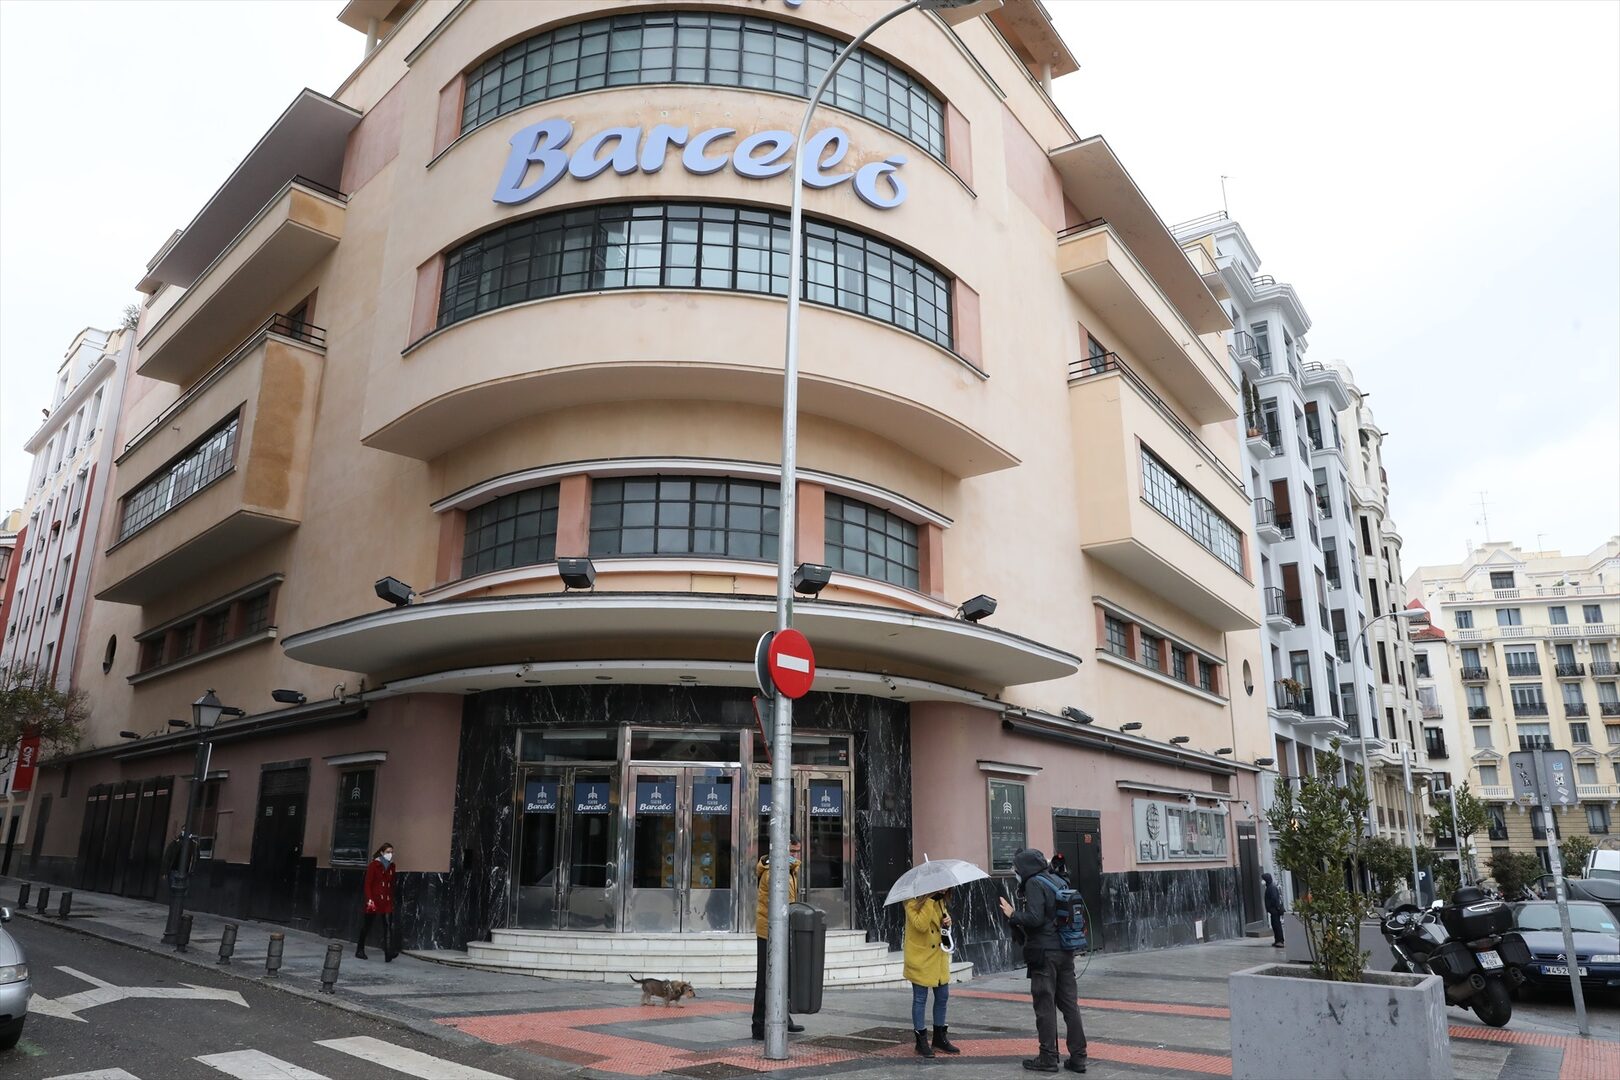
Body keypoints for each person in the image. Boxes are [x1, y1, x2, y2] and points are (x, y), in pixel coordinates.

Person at [998, 848, 1086, 1074]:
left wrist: (1013, 914)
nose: (1016, 872)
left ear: (1025, 867)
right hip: (1065, 950)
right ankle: (1078, 1057)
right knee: (1070, 1005)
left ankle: (1047, 1057)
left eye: (1016, 868)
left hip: (1044, 954)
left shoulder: (1034, 883)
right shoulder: (1057, 879)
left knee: (1045, 1005)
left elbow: (1035, 919)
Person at [751, 836, 805, 1041]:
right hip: (769, 932)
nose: (795, 855)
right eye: (792, 851)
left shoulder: (788, 869)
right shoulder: (774, 871)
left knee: (783, 976)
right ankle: (758, 1025)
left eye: (797, 851)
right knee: (766, 978)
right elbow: (783, 903)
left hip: (781, 931)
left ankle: (783, 1017)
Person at [904, 889, 959, 1057]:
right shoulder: (911, 901)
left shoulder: (940, 900)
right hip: (921, 958)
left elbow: (940, 924)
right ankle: (921, 1041)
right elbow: (920, 925)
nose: (944, 889)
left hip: (938, 957)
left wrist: (947, 921)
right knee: (920, 999)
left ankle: (939, 1038)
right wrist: (929, 900)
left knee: (942, 997)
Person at [357, 842, 397, 961]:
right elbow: (368, 884)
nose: (390, 854)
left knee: (388, 925)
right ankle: (360, 949)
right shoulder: (374, 865)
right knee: (367, 925)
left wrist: (391, 898)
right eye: (388, 852)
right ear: (382, 852)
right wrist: (369, 899)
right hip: (374, 899)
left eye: (392, 852)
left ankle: (388, 952)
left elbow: (391, 883)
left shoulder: (392, 866)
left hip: (387, 900)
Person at [1262, 873, 1285, 948]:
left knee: (1277, 925)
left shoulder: (1271, 887)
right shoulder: (1270, 887)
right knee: (1275, 925)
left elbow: (1275, 899)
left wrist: (1276, 908)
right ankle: (1277, 940)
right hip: (1273, 910)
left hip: (1274, 910)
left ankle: (1280, 941)